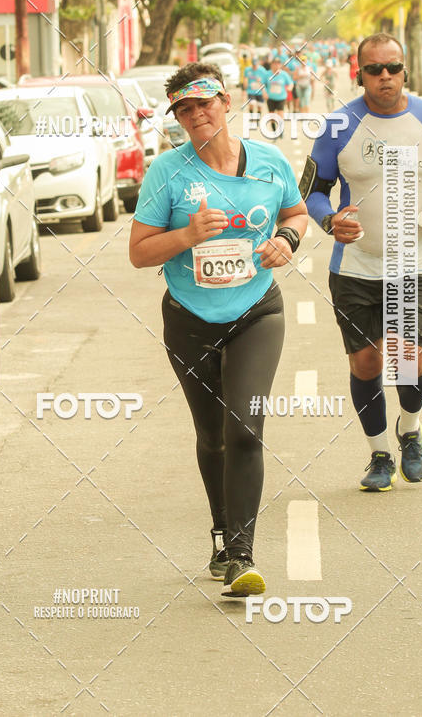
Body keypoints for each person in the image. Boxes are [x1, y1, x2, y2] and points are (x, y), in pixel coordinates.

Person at [129, 62, 308, 595]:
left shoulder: (270, 161)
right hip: (190, 320)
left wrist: (288, 241)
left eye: (204, 103)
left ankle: (241, 555)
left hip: (257, 312)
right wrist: (186, 235)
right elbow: (139, 253)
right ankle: (221, 531)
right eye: (183, 109)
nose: (196, 115)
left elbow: (296, 213)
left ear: (226, 102)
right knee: (212, 436)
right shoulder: (168, 172)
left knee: (244, 430)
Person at [301, 33, 422, 491]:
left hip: (412, 262)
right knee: (367, 364)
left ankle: (409, 430)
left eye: (393, 67)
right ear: (359, 74)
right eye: (374, 69)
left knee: (408, 361)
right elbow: (312, 191)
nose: (385, 77)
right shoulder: (337, 126)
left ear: (404, 70)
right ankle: (379, 454)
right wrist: (329, 220)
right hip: (354, 267)